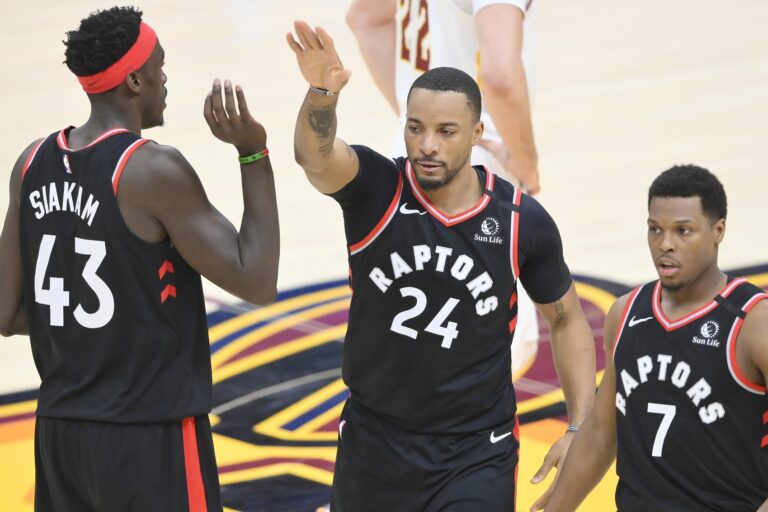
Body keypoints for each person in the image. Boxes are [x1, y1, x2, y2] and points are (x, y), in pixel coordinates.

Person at [287, 21, 595, 511]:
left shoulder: (519, 221)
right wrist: (322, 93)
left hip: (475, 451)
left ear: (476, 133)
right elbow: (314, 156)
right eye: (416, 128)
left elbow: (567, 318)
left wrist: (581, 424)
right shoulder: (377, 190)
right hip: (376, 440)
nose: (427, 145)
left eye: (445, 131)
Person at [0, 6, 280, 511]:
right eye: (160, 69)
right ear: (134, 80)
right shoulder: (151, 169)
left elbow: (7, 312)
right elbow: (256, 279)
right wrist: (253, 154)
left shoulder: (31, 161)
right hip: (149, 436)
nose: (164, 80)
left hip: (61, 436)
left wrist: (96, 330)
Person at [536, 166, 768, 512]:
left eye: (683, 231)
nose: (665, 244)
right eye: (655, 229)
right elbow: (601, 432)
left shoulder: (752, 322)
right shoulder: (627, 312)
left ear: (718, 231)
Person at [347, 0, 542, 381]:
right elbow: (501, 77)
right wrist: (526, 162)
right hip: (472, 165)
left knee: (409, 346)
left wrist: (418, 126)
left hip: (408, 158)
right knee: (499, 355)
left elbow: (365, 18)